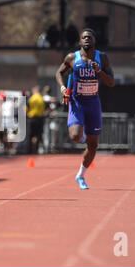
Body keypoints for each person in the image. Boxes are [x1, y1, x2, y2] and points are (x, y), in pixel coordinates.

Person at [55, 28, 115, 190]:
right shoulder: (72, 57)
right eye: (84, 37)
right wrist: (62, 88)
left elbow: (111, 82)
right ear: (80, 42)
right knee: (75, 136)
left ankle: (80, 175)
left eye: (90, 37)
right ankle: (80, 134)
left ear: (94, 41)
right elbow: (59, 73)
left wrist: (99, 71)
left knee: (93, 145)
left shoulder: (102, 58)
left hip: (93, 103)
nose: (87, 39)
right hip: (77, 102)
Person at [27, 86, 45, 154]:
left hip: (32, 118)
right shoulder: (41, 98)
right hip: (39, 118)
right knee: (38, 134)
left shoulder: (32, 98)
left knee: (31, 134)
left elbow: (27, 107)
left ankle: (30, 149)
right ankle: (36, 149)